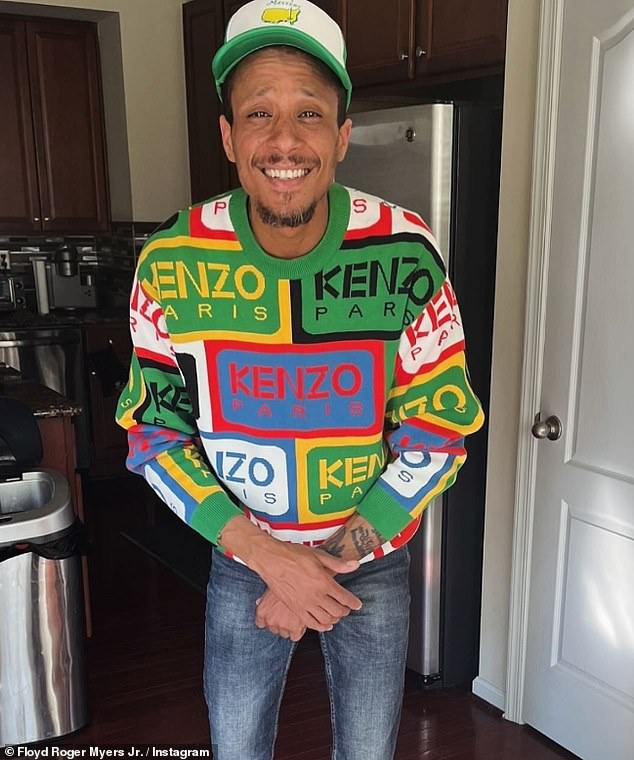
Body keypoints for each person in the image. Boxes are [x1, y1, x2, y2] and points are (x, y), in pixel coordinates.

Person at [116, 1, 484, 757]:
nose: (284, 141)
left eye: (309, 113)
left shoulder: (405, 251)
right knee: (238, 746)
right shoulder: (171, 261)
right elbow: (155, 434)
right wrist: (270, 560)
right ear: (229, 136)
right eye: (259, 113)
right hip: (240, 555)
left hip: (370, 560)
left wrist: (325, 566)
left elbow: (439, 429)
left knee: (368, 750)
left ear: (341, 136)